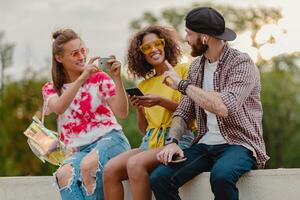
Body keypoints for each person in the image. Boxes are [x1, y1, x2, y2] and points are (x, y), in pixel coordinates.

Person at [150, 7, 270, 200]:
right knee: (159, 177)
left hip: (239, 143)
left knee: (221, 177)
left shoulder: (241, 63)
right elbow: (183, 111)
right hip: (205, 144)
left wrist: (181, 84)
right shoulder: (196, 67)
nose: (186, 39)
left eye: (189, 34)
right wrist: (173, 142)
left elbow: (225, 107)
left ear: (204, 37)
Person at [103, 25, 194, 200]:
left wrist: (161, 102)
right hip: (150, 142)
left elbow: (191, 113)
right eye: (146, 47)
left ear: (165, 45)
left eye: (157, 43)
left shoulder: (182, 70)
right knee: (110, 169)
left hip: (177, 139)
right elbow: (145, 129)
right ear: (141, 54)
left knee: (135, 163)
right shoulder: (144, 85)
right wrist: (140, 109)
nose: (153, 49)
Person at [42, 28, 130, 200]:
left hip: (111, 140)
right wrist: (81, 78)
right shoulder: (51, 88)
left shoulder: (99, 78)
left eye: (83, 51)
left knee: (89, 166)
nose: (81, 57)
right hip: (79, 151)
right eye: (74, 53)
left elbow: (122, 112)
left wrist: (117, 79)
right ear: (59, 58)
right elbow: (59, 107)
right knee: (64, 174)